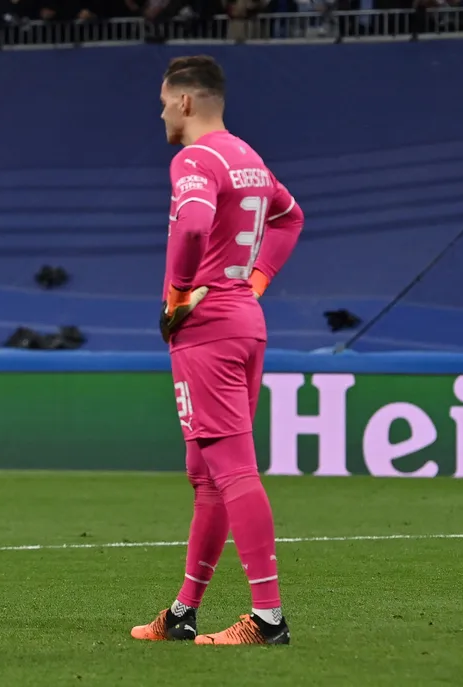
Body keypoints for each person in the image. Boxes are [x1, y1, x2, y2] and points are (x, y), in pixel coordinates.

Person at [131, 56, 304, 646]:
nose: (160, 113)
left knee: (231, 471)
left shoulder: (195, 159)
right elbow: (289, 216)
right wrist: (253, 283)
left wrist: (179, 295)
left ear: (184, 102)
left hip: (207, 330)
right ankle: (183, 612)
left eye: (162, 102)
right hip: (242, 320)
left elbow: (194, 225)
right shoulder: (247, 157)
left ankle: (268, 617)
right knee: (206, 474)